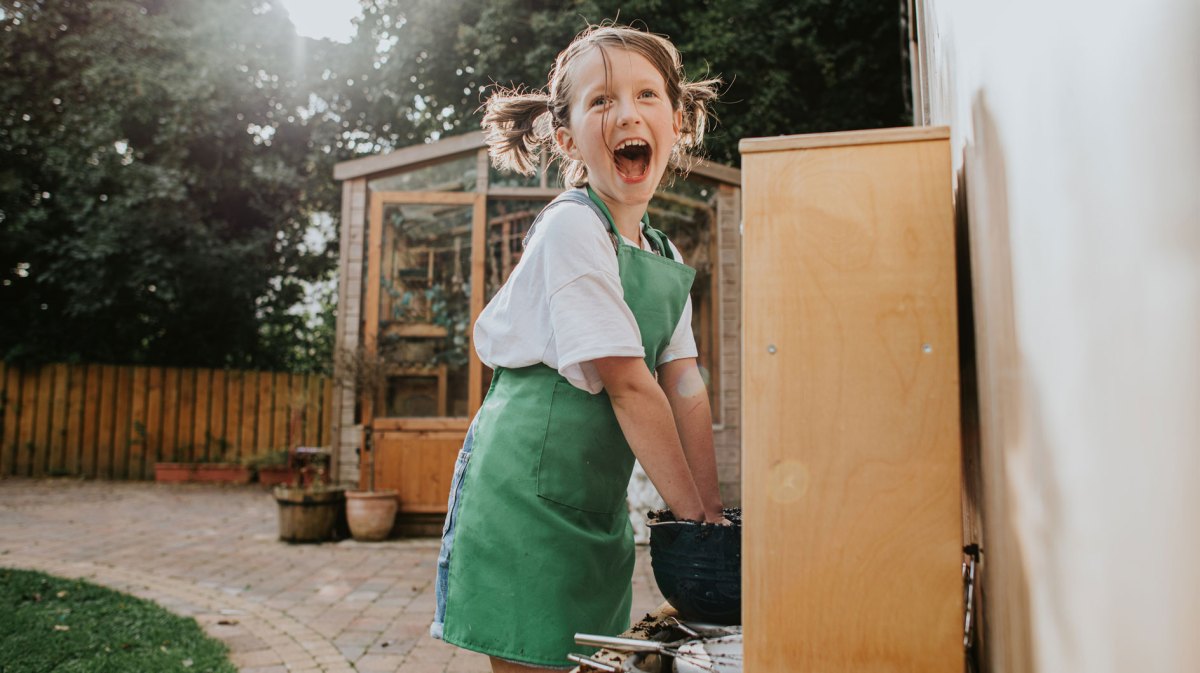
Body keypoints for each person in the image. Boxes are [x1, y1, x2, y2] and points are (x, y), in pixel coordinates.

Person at [431, 23, 725, 672]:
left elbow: (685, 385)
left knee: (588, 658)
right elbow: (629, 383)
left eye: (647, 95)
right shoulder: (572, 226)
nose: (627, 112)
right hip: (523, 496)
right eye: (601, 100)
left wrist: (708, 515)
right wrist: (689, 522)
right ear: (567, 138)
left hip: (593, 505)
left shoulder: (665, 252)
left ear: (676, 121)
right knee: (535, 658)